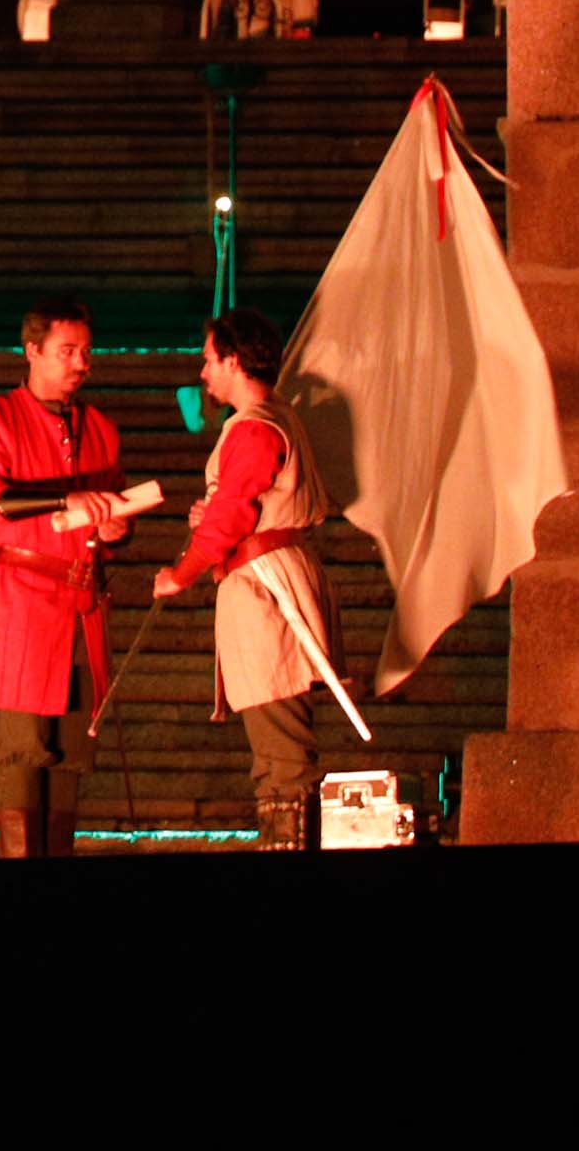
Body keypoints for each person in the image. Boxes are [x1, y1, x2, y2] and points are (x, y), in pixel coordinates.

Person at [151, 306, 341, 852]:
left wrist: (181, 574)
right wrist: (210, 518)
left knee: (281, 752)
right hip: (270, 579)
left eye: (210, 361)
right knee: (278, 744)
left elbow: (235, 514)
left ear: (234, 362)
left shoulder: (257, 428)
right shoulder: (270, 419)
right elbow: (238, 505)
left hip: (266, 592)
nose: (204, 372)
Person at [0, 295, 131, 858]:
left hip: (81, 607)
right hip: (21, 607)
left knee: (72, 753)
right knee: (20, 750)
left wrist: (114, 530)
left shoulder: (100, 427)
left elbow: (113, 514)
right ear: (32, 351)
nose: (81, 362)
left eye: (85, 350)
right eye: (66, 351)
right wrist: (65, 499)